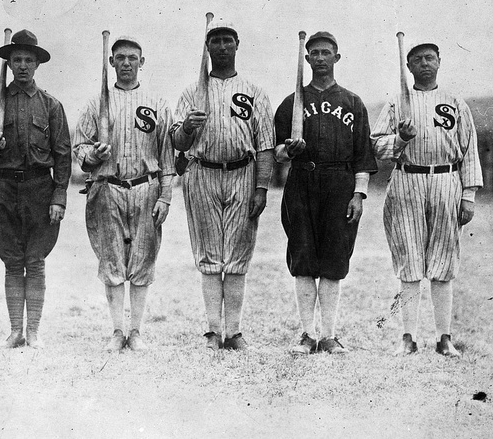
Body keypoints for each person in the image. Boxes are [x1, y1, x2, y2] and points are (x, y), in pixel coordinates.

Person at [370, 41, 482, 357]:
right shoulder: (397, 104)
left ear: (439, 61)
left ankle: (444, 338)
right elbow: (376, 147)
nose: (424, 63)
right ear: (408, 66)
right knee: (409, 260)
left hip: (448, 180)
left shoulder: (455, 102)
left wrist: (469, 194)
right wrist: (401, 137)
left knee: (444, 260)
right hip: (407, 180)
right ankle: (408, 337)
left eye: (429, 57)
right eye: (417, 59)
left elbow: (469, 150)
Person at [171, 20, 275, 351]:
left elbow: (266, 145)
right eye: (214, 40)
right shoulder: (191, 92)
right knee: (209, 255)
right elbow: (176, 142)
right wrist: (188, 127)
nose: (221, 46)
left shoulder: (254, 91)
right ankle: (213, 331)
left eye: (227, 40)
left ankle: (235, 331)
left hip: (242, 173)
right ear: (208, 47)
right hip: (202, 172)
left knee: (238, 255)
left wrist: (261, 187)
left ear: (237, 44)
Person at [274, 31, 377, 355]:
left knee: (334, 258)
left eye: (325, 52)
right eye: (314, 53)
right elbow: (275, 151)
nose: (319, 58)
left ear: (336, 57)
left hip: (339, 183)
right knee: (303, 256)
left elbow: (363, 154)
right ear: (306, 59)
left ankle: (329, 334)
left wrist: (359, 194)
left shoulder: (352, 102)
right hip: (302, 181)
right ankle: (307, 334)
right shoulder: (292, 102)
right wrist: (290, 150)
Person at [73, 36, 175, 351]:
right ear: (112, 62)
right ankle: (117, 331)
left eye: (133, 57)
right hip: (107, 187)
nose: (126, 63)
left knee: (143, 260)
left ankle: (137, 331)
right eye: (120, 57)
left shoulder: (157, 102)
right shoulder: (96, 103)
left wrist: (166, 195)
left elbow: (167, 155)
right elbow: (80, 148)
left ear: (141, 62)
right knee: (112, 260)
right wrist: (93, 156)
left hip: (146, 186)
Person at [0, 30, 71, 350]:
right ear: (10, 63)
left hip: (39, 188)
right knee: (13, 262)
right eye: (17, 60)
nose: (23, 66)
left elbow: (63, 156)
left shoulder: (51, 105)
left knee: (36, 260)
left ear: (37, 64)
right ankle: (16, 330)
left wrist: (59, 196)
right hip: (3, 188)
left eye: (29, 60)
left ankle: (34, 332)